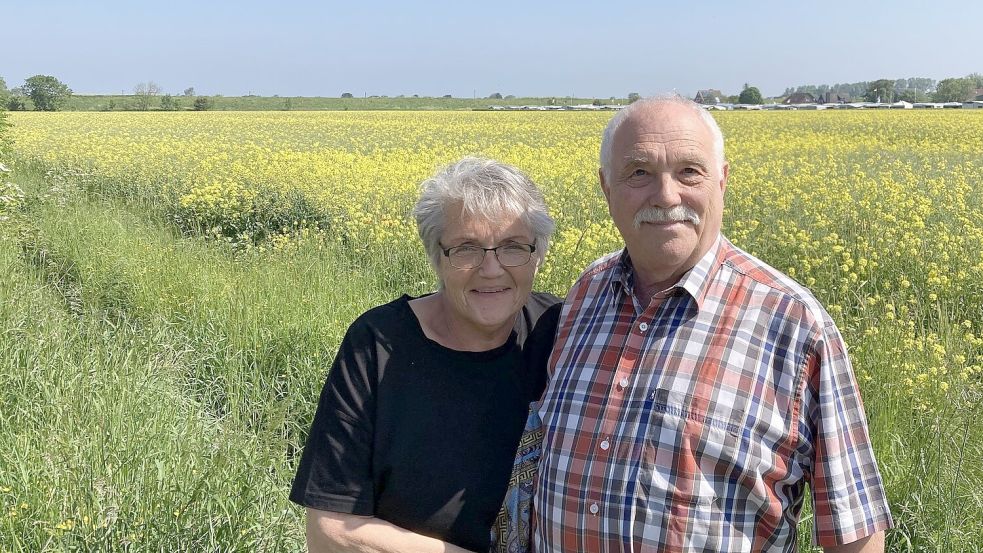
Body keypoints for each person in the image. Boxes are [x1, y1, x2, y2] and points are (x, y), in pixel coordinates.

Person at [535, 96, 893, 552]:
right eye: (639, 172)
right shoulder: (587, 294)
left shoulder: (794, 324)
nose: (666, 196)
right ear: (606, 186)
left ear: (722, 180)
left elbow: (855, 535)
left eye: (689, 171)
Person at [291, 157, 561, 553]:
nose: (491, 269)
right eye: (467, 248)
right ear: (436, 254)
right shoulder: (379, 345)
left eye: (512, 247)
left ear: (537, 254)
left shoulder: (563, 333)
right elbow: (331, 530)